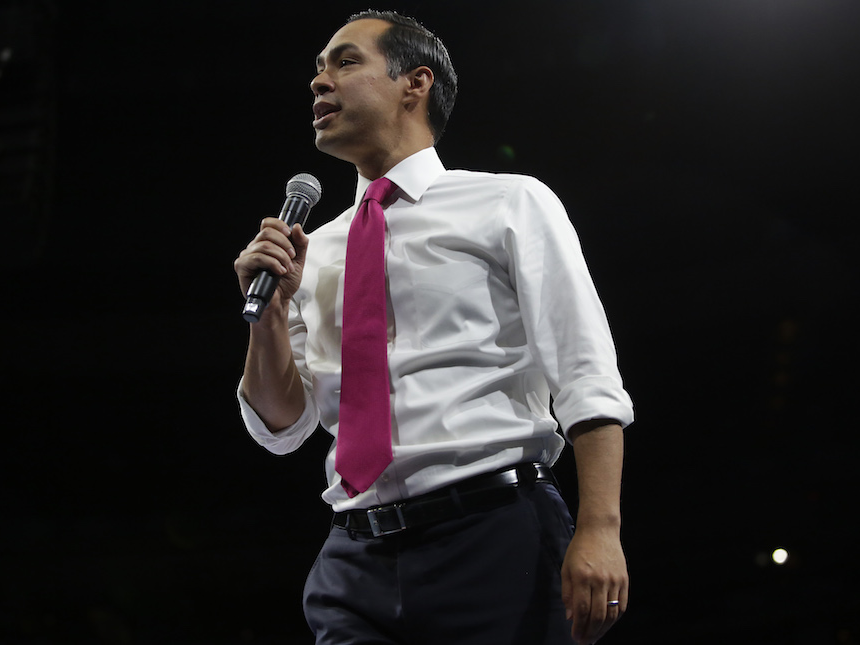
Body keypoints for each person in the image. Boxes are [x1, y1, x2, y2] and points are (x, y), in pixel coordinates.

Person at [233, 10, 634, 645]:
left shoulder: (509, 202)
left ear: (414, 84)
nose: (318, 83)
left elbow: (586, 374)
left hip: (496, 534)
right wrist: (271, 317)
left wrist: (600, 529)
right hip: (354, 558)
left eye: (344, 62)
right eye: (316, 70)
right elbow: (283, 427)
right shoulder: (317, 250)